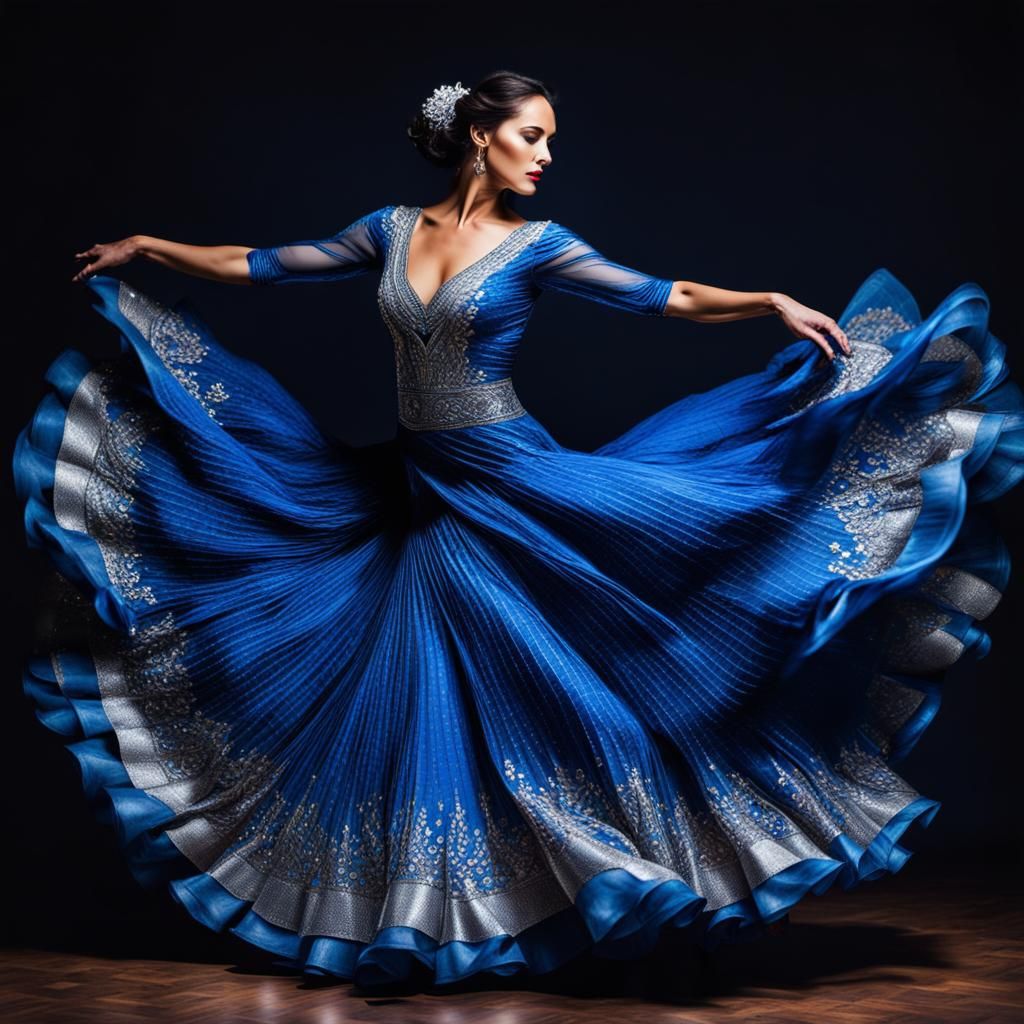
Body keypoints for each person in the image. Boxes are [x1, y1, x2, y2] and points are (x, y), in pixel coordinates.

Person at [13, 69, 1023, 991]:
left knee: (589, 668)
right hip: (419, 488)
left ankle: (638, 874)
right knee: (437, 698)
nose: (545, 156)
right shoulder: (387, 229)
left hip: (511, 480)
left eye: (549, 140)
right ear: (478, 136)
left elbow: (662, 295)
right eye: (531, 136)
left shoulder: (542, 247)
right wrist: (150, 246)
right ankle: (455, 910)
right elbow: (260, 264)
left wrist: (769, 301)